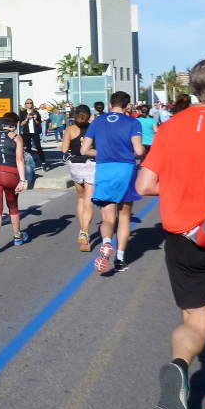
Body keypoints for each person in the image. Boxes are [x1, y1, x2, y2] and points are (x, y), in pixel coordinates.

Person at [136, 59, 205, 409]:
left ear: (194, 88)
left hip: (185, 236)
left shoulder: (171, 127)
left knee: (194, 320)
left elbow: (145, 185)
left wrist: (181, 187)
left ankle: (179, 365)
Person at [80, 91, 144, 273]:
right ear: (127, 106)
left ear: (110, 105)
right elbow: (139, 151)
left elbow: (84, 150)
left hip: (104, 170)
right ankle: (120, 259)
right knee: (124, 216)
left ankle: (107, 243)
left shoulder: (97, 121)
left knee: (108, 217)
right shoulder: (133, 122)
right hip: (125, 170)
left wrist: (103, 153)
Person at [0, 112, 28, 253]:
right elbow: (19, 159)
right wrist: (22, 179)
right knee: (12, 206)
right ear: (15, 125)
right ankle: (17, 236)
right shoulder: (16, 138)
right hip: (10, 174)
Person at [62, 105, 96, 252]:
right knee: (89, 200)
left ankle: (82, 230)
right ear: (89, 115)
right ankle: (84, 232)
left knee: (81, 198)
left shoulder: (70, 129)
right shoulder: (94, 128)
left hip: (75, 164)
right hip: (90, 164)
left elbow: (64, 149)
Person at [19, 99, 48, 171]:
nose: (29, 104)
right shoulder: (23, 113)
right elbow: (21, 124)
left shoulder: (36, 112)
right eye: (27, 103)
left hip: (35, 132)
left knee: (38, 147)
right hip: (26, 132)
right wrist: (27, 119)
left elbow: (39, 122)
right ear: (25, 104)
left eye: (30, 103)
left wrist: (35, 119)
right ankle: (29, 164)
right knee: (28, 148)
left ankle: (43, 163)